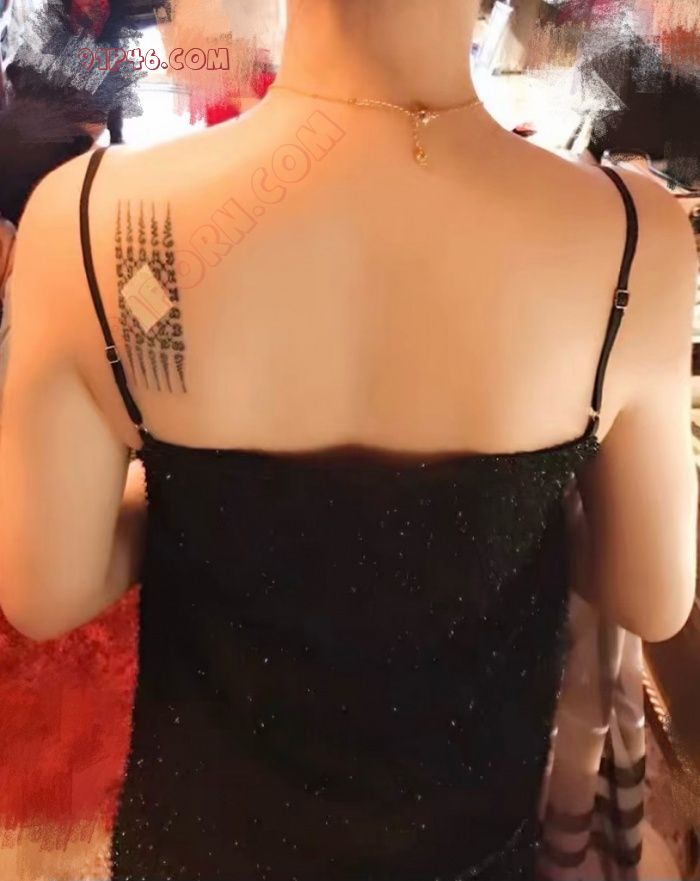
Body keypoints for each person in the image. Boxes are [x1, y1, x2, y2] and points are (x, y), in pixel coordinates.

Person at [0, 0, 697, 878]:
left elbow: (46, 590)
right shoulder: (635, 239)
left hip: (199, 845)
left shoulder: (89, 220)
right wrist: (498, 514)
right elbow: (652, 593)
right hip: (464, 852)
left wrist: (209, 507)